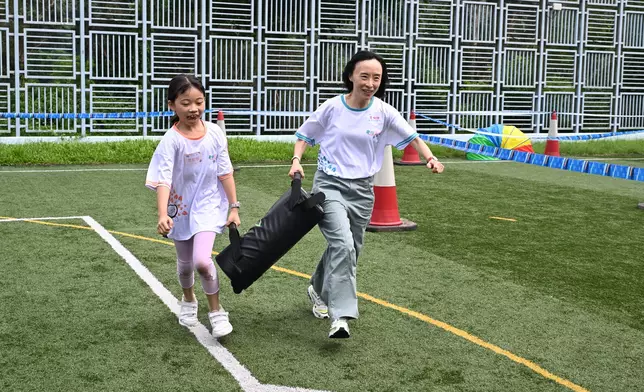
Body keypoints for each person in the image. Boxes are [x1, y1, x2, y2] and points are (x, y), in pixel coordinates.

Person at [288, 50, 444, 339]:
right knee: (344, 244)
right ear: (351, 76)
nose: (370, 82)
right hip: (329, 185)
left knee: (350, 249)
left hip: (362, 190)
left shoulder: (383, 111)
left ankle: (317, 288)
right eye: (364, 76)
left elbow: (412, 137)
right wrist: (297, 160)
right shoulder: (332, 108)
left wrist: (430, 158)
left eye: (376, 77)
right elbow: (305, 135)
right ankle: (341, 316)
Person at [145, 74, 241, 338]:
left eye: (199, 102)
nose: (194, 109)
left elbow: (225, 171)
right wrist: (163, 213)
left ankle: (216, 312)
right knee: (185, 264)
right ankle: (188, 300)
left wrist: (234, 207)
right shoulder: (171, 140)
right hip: (180, 208)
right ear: (172, 105)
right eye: (185, 103)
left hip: (209, 205)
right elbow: (163, 179)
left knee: (201, 260)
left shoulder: (215, 134)